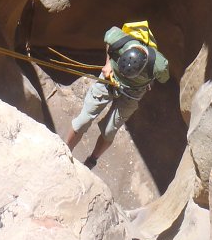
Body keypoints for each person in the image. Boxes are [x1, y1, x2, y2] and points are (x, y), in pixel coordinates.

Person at [65, 23, 169, 170]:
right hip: (110, 78)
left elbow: (164, 78)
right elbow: (109, 38)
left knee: (109, 131)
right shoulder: (120, 40)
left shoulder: (158, 64)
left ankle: (92, 161)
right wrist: (108, 64)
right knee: (83, 119)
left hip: (132, 92)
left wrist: (149, 81)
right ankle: (64, 151)